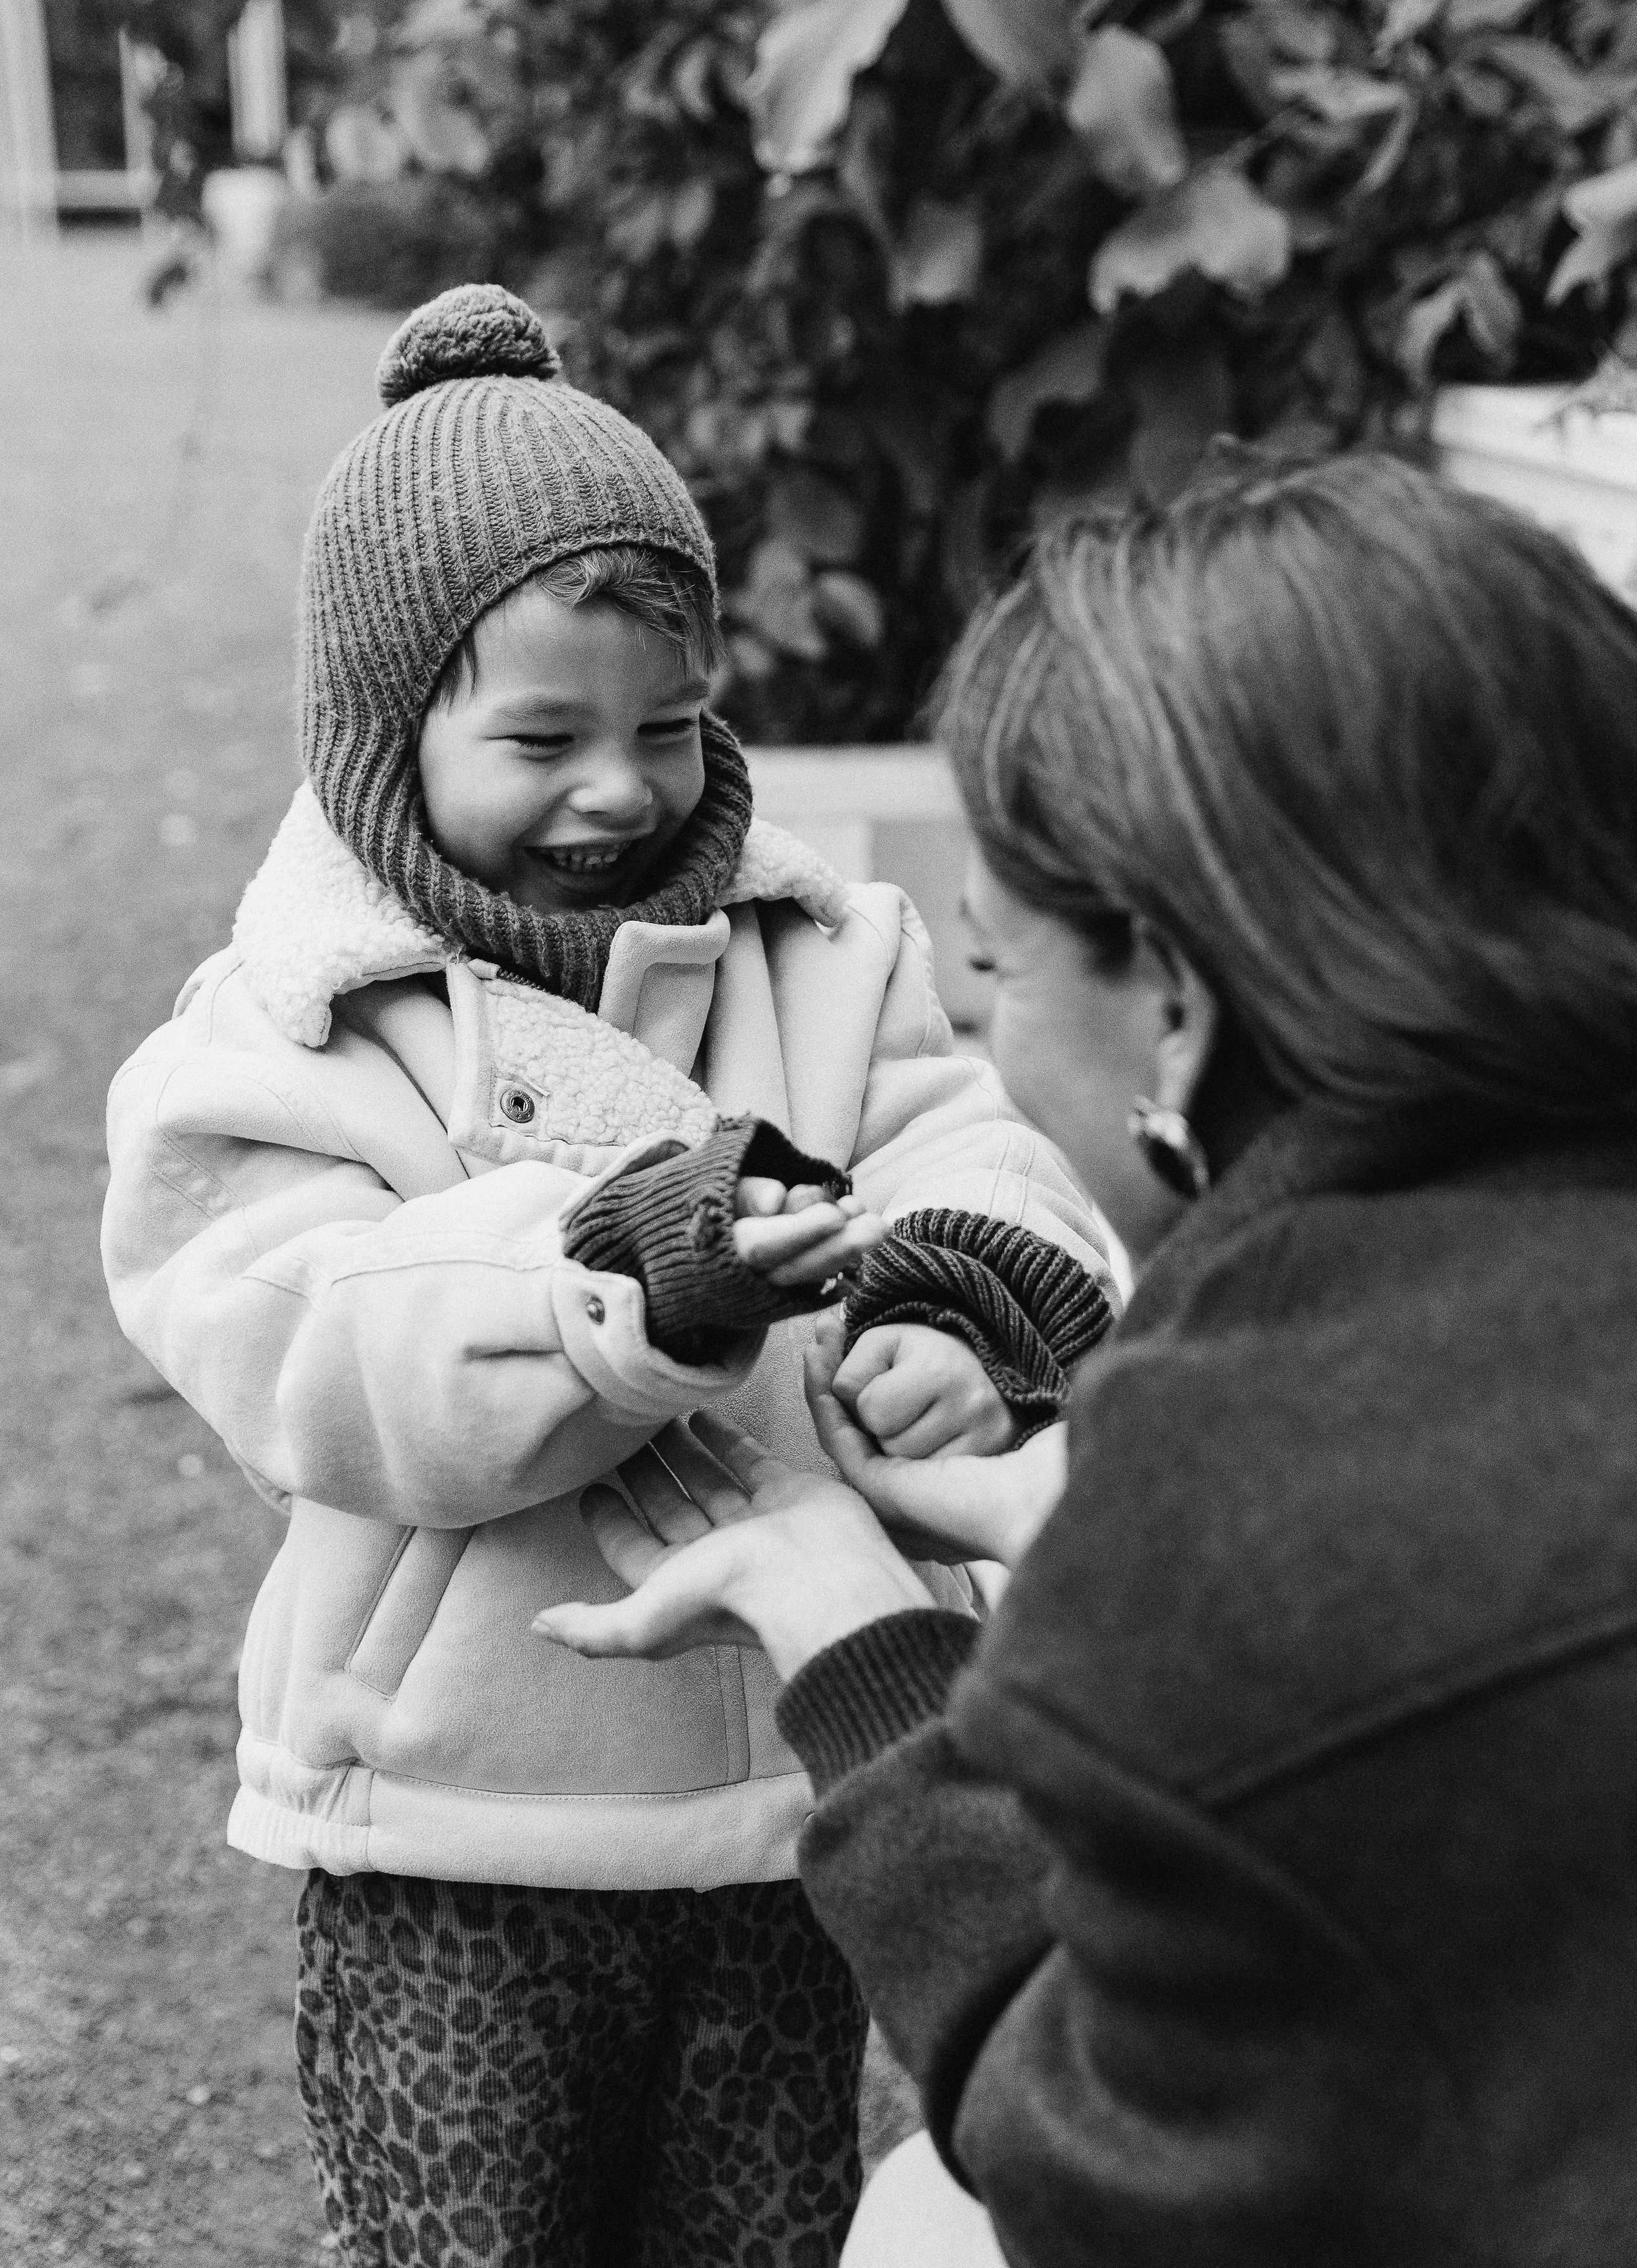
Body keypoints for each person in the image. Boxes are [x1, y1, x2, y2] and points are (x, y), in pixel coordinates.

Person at [536, 452, 1637, 2267]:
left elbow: (1104, 2162)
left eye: (997, 976)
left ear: (1183, 1007)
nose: (988, 1037)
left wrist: (865, 1647)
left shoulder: (1232, 1495)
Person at [99, 284, 1115, 2268]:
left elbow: (976, 1143)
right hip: (456, 1813)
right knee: (471, 2237)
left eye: (670, 725)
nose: (622, 790)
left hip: (776, 1791)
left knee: (763, 2226)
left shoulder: (821, 948)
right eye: (543, 739)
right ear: (384, 733)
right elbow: (306, 1349)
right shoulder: (290, 1032)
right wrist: (618, 1272)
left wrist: (952, 1308)